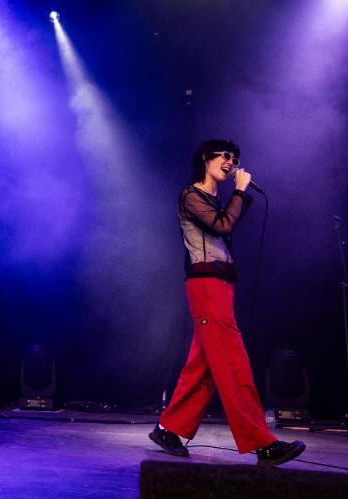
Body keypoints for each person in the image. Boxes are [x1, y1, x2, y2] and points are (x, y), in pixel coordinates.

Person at [149, 140, 305, 466]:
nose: (231, 161)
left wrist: (237, 196)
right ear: (206, 158)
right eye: (225, 155)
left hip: (221, 285)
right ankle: (262, 443)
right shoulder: (190, 195)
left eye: (234, 158)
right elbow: (222, 225)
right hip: (206, 285)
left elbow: (224, 225)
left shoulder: (216, 199)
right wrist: (240, 193)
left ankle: (169, 429)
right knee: (234, 365)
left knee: (204, 366)